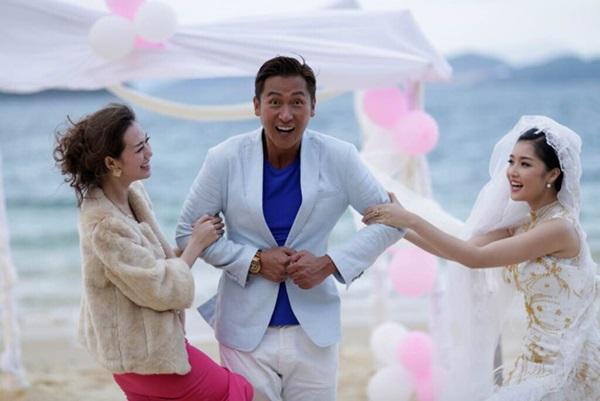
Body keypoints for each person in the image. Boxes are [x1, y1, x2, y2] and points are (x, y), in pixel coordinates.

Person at [175, 56, 404, 401]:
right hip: (243, 331)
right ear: (257, 106)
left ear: (313, 107)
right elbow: (185, 233)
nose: (286, 114)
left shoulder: (339, 156)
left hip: (314, 330)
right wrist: (254, 261)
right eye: (275, 102)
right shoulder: (224, 158)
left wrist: (328, 263)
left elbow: (392, 221)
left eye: (297, 102)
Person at [363, 115, 600, 400]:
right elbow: (459, 250)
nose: (512, 172)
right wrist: (398, 228)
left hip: (564, 369)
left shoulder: (559, 229)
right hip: (533, 363)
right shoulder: (525, 224)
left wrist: (410, 219)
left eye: (525, 164)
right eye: (511, 161)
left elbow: (474, 257)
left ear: (552, 175)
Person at [53, 104, 253, 401]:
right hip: (144, 358)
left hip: (148, 349)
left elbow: (147, 267)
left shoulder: (132, 196)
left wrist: (190, 244)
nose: (150, 152)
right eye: (139, 149)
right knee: (238, 391)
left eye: (147, 141)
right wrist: (195, 245)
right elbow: (160, 288)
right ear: (111, 162)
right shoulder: (105, 224)